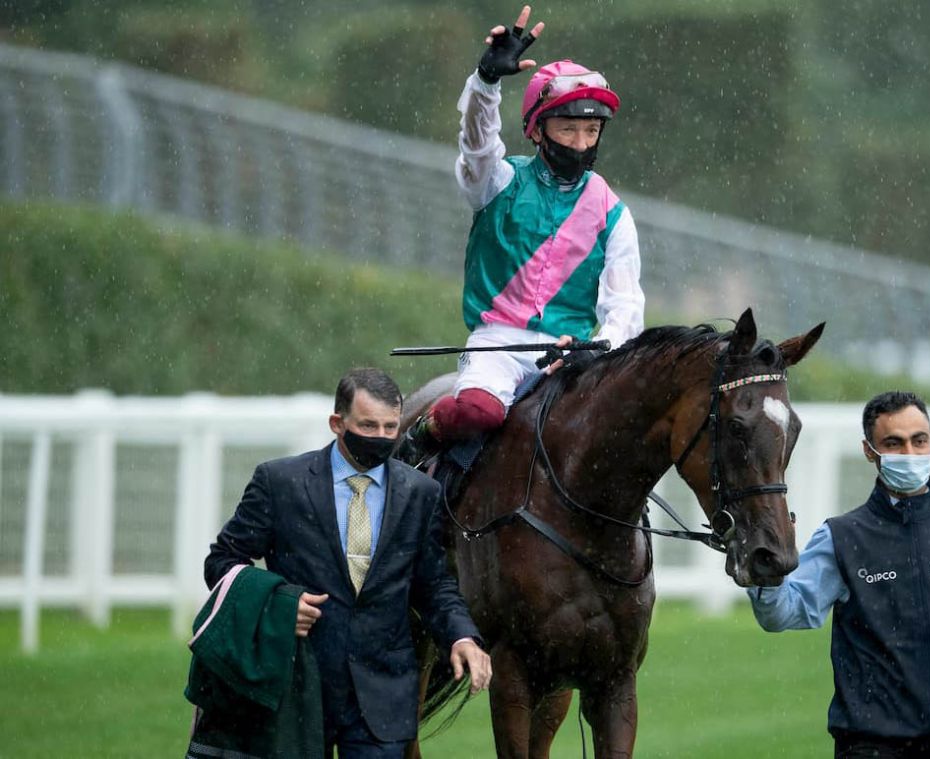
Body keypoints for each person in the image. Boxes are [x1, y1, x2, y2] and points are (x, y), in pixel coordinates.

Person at [395, 4, 645, 465]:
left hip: (569, 358)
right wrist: (486, 82)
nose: (581, 143)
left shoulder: (614, 214)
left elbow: (625, 307)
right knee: (479, 411)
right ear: (536, 130)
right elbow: (476, 146)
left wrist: (597, 350)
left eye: (591, 130)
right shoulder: (498, 181)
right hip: (497, 348)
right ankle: (422, 437)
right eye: (567, 129)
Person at [205, 367, 492, 758]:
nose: (381, 437)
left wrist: (462, 637)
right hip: (298, 688)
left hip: (383, 698)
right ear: (337, 424)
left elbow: (433, 584)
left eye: (390, 427)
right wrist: (277, 604)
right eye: (368, 426)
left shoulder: (421, 493)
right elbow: (221, 561)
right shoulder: (280, 482)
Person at [747, 391, 930, 758]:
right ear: (869, 451)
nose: (910, 453)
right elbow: (783, 613)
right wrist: (767, 572)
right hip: (866, 747)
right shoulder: (841, 536)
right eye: (894, 443)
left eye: (920, 440)